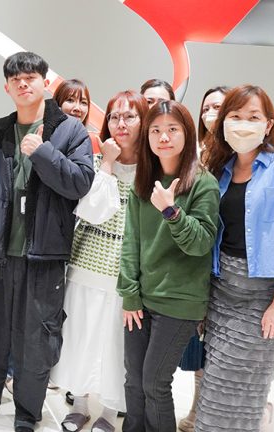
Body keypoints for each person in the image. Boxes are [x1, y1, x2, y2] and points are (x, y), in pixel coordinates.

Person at [0, 51, 94, 432]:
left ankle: (27, 410)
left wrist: (44, 153)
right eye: (15, 79)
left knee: (36, 337)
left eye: (30, 77)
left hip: (44, 254)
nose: (23, 84)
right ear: (7, 87)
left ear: (44, 83)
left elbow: (80, 183)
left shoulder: (70, 131)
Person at [195, 85, 274, 432]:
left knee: (243, 389)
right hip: (222, 291)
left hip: (266, 295)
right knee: (214, 385)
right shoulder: (219, 170)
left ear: (268, 124)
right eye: (235, 116)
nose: (243, 124)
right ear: (223, 123)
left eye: (253, 117)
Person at [118, 100, 219, 432]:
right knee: (134, 380)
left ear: (187, 134)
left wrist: (171, 212)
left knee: (154, 383)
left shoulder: (203, 183)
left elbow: (200, 244)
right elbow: (131, 241)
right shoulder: (144, 180)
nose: (163, 137)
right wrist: (129, 293)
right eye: (156, 130)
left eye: (172, 129)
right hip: (142, 299)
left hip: (180, 301)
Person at [50, 90, 148, 432]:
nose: (121, 123)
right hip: (86, 266)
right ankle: (78, 404)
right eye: (115, 117)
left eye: (130, 116)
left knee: (116, 348)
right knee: (79, 338)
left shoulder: (151, 170)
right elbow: (92, 211)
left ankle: (109, 411)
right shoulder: (93, 162)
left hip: (128, 275)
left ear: (144, 122)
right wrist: (107, 162)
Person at [176, 84, 228, 432]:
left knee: (225, 348)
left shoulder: (240, 157)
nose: (211, 114)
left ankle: (249, 410)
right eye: (206, 108)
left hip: (230, 263)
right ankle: (198, 408)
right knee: (200, 342)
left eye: (219, 108)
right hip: (199, 260)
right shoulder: (195, 155)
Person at [52, 78, 101, 155]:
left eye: (83, 102)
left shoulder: (90, 143)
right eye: (70, 100)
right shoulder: (42, 134)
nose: (77, 108)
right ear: (57, 104)